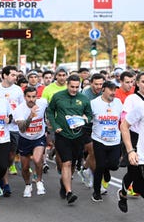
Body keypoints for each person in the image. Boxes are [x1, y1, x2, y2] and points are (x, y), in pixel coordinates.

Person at [46, 74, 92, 204]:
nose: (74, 89)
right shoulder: (58, 96)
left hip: (78, 135)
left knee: (72, 164)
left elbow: (89, 114)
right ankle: (69, 192)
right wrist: (55, 126)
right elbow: (50, 111)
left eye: (77, 87)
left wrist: (86, 119)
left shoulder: (84, 99)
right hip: (62, 135)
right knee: (66, 162)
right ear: (67, 85)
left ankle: (64, 182)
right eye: (72, 87)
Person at [90, 81, 122, 202]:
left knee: (114, 165)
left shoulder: (118, 102)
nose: (113, 93)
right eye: (111, 90)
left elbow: (123, 119)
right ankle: (96, 192)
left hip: (115, 140)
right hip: (99, 140)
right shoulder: (94, 103)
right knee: (100, 165)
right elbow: (87, 117)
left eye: (115, 90)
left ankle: (106, 169)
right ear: (103, 89)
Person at [13, 87, 48, 197]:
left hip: (39, 137)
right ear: (24, 97)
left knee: (38, 160)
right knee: (24, 167)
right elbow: (22, 128)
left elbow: (55, 105)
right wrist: (30, 116)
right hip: (25, 139)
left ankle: (39, 181)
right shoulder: (19, 110)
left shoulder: (43, 103)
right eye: (29, 97)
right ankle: (28, 185)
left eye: (34, 97)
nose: (31, 99)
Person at [118, 72, 144, 213]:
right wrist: (130, 149)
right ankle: (123, 193)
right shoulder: (133, 99)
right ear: (137, 83)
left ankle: (125, 191)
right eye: (143, 81)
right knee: (133, 172)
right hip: (134, 138)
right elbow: (124, 121)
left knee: (135, 176)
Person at [0, 66, 24, 196]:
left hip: (13, 128)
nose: (15, 77)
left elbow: (22, 107)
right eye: (13, 75)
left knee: (11, 155)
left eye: (16, 75)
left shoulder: (18, 90)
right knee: (2, 156)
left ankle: (3, 172)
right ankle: (5, 183)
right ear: (4, 75)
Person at [79, 73, 105, 188]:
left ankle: (84, 168)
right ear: (91, 83)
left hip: (99, 126)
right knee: (93, 151)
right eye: (96, 84)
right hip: (86, 127)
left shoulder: (104, 92)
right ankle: (97, 182)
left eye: (101, 84)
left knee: (97, 153)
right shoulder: (85, 93)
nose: (99, 87)